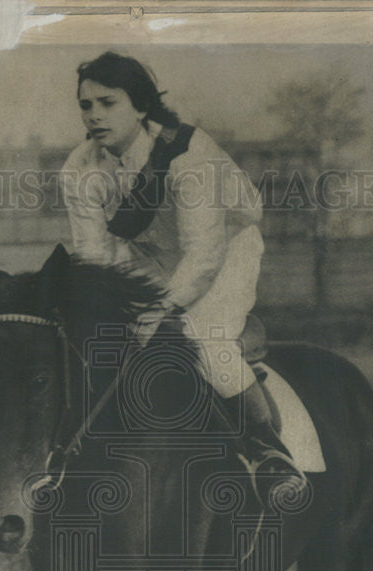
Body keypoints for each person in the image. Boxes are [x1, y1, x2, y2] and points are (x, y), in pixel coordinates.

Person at [61, 50, 306, 506]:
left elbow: (203, 255)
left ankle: (269, 452)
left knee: (203, 340)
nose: (94, 115)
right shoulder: (79, 169)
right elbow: (95, 256)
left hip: (225, 250)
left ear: (141, 106)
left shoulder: (188, 155)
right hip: (148, 255)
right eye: (86, 105)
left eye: (107, 103)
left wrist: (156, 312)